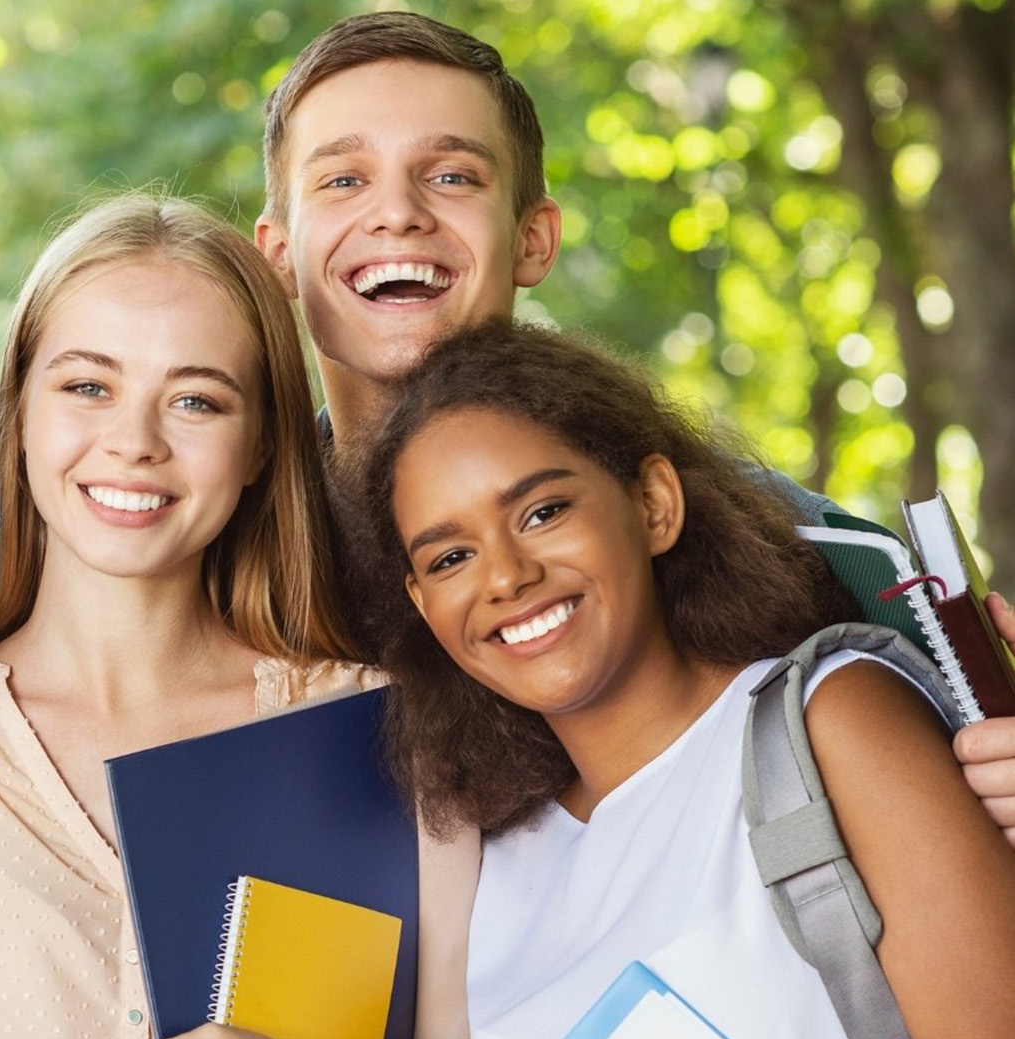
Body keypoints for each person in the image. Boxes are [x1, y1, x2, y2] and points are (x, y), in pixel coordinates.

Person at [0, 194, 482, 1039]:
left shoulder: (389, 739)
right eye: (87, 385)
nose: (134, 443)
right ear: (20, 412)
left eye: (197, 399)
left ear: (261, 444)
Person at [248, 6, 1015, 833]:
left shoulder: (781, 539)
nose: (397, 213)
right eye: (342, 180)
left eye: (453, 176)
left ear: (534, 239)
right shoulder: (230, 554)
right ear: (280, 255)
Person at [366, 320, 1015, 1039]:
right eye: (450, 556)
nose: (506, 576)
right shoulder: (490, 862)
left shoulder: (830, 719)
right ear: (423, 602)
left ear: (654, 504)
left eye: (543, 511)